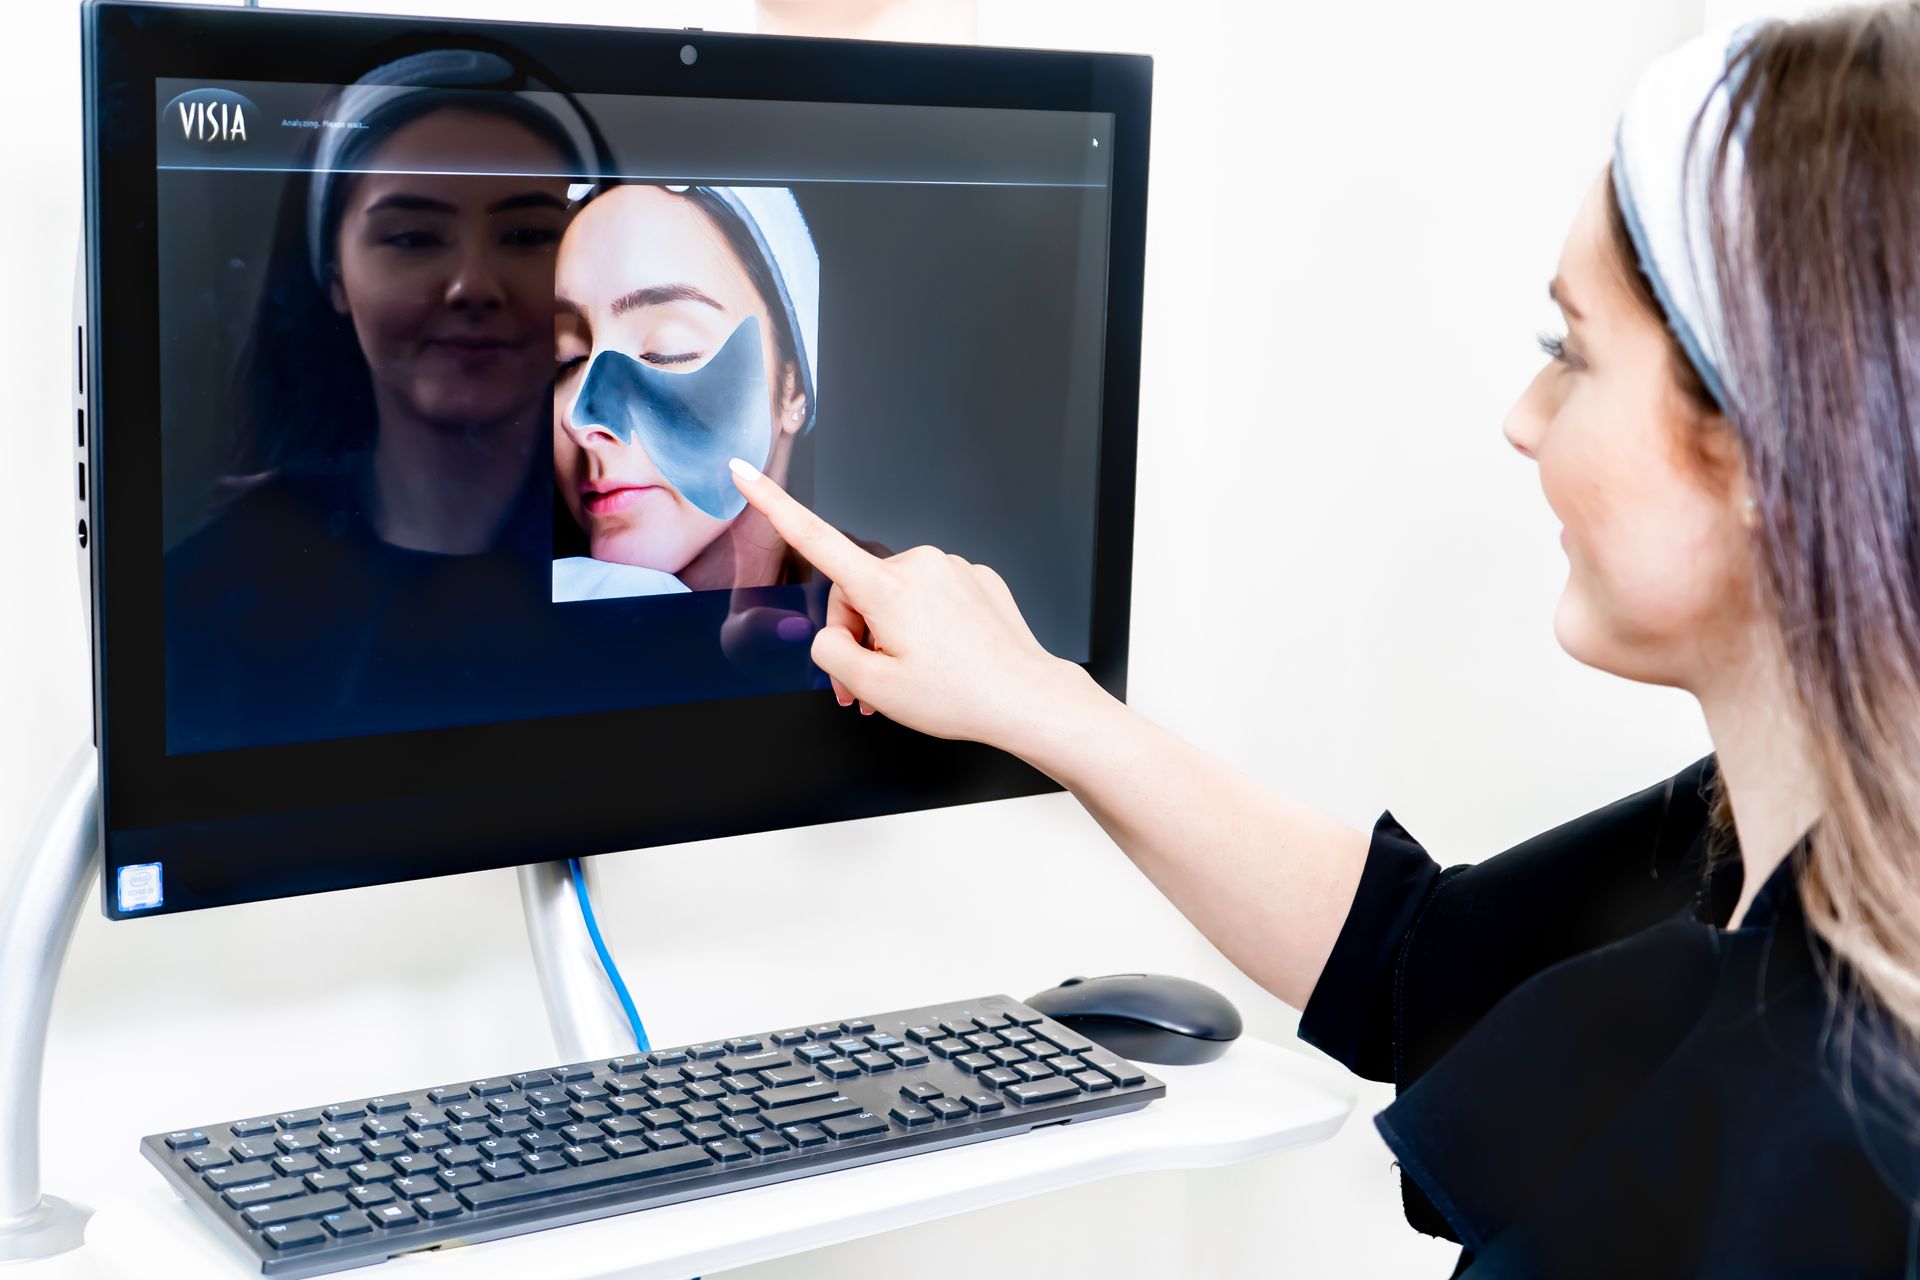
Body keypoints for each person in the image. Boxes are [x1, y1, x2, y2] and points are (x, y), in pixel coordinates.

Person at [725, 7, 1920, 1275]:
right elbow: (1422, 964)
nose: (1523, 418)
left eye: (1571, 352)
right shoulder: (1792, 847)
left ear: (1769, 444)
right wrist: (1039, 702)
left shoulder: (1828, 1141)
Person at [164, 52, 594, 750]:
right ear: (334, 274)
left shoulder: (657, 564)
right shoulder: (205, 599)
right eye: (413, 237)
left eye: (528, 235)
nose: (473, 286)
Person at [551, 183, 821, 603]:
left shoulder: (892, 632)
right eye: (566, 361)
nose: (580, 416)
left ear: (792, 386)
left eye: (665, 352)